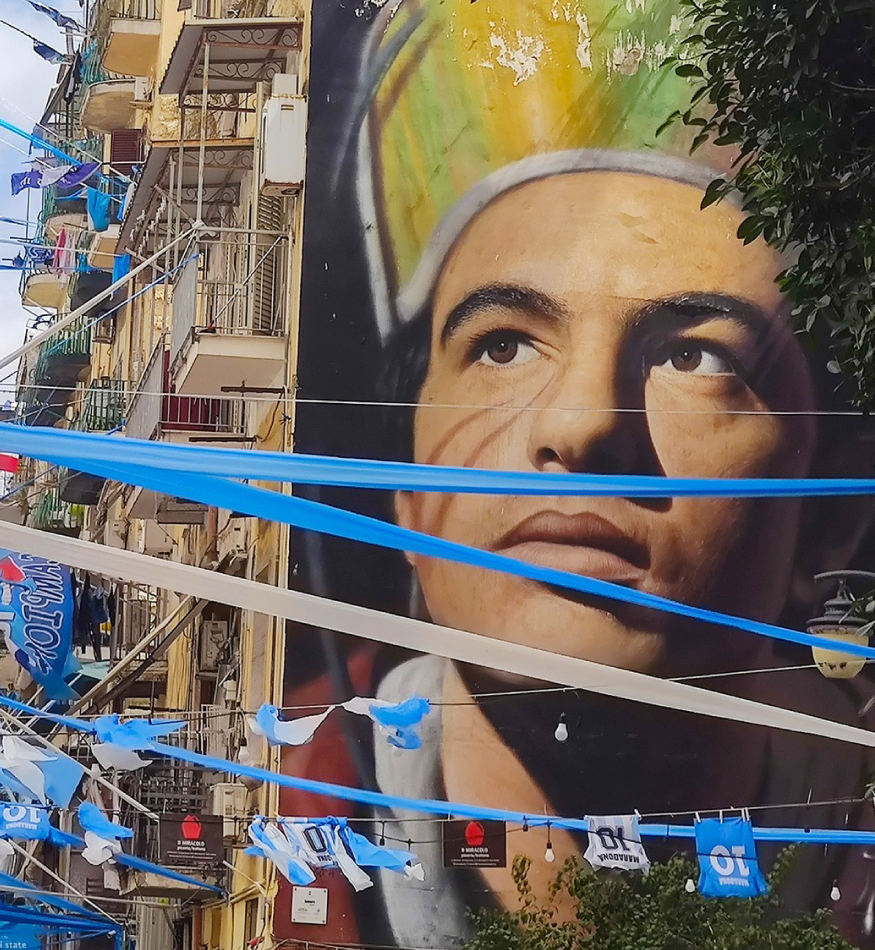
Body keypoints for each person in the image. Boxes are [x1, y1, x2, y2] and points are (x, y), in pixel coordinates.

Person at [281, 0, 875, 946]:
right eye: (504, 344)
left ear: (832, 508)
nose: (585, 422)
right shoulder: (300, 813)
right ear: (403, 469)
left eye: (695, 357)